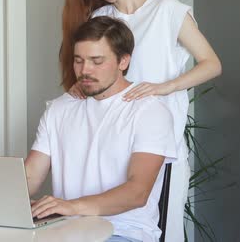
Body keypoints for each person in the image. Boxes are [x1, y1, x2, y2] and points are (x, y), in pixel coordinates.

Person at [60, 0, 222, 241]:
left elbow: (211, 63)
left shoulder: (167, 10)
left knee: (162, 232)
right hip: (110, 148)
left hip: (159, 147)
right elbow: (94, 76)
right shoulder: (100, 18)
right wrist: (79, 86)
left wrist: (164, 87)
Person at [26, 16, 177, 242]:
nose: (85, 70)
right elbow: (30, 177)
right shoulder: (59, 109)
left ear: (123, 62)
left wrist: (71, 206)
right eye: (78, 60)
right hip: (64, 231)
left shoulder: (149, 112)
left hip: (124, 232)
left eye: (97, 61)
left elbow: (138, 192)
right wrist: (5, 201)